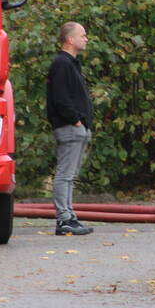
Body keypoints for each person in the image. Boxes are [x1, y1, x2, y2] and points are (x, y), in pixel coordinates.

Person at [46, 22, 94, 236]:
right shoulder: (61, 64)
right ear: (70, 39)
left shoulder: (71, 64)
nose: (86, 39)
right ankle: (64, 219)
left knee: (70, 175)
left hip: (78, 127)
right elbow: (60, 97)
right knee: (65, 174)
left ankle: (70, 216)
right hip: (69, 127)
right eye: (82, 35)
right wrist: (75, 120)